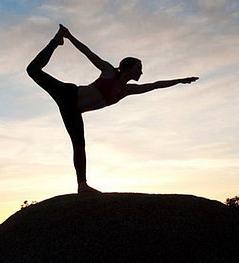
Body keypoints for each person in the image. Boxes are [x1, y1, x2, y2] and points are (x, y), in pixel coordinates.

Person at [27, 24, 198, 193]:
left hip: (73, 111)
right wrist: (69, 37)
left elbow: (156, 85)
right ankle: (56, 41)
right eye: (139, 68)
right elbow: (88, 53)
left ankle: (82, 185)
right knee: (33, 70)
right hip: (68, 94)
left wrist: (180, 80)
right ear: (128, 68)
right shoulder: (108, 71)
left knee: (79, 144)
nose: (141, 72)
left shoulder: (127, 90)